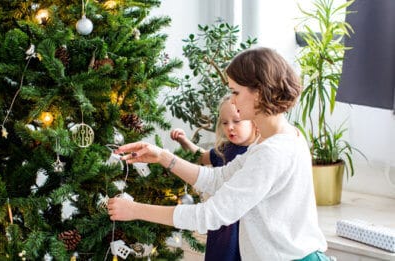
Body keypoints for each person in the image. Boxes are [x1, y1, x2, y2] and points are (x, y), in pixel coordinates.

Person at [108, 47, 328, 261]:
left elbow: (209, 215)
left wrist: (135, 210)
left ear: (259, 93)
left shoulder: (273, 153)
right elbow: (219, 178)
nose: (232, 100)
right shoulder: (277, 137)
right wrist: (163, 157)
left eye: (235, 92)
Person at [170, 95, 258, 261]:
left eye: (236, 121)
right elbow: (200, 156)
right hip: (221, 225)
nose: (230, 127)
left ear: (253, 120)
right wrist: (183, 141)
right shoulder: (224, 149)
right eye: (225, 123)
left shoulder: (257, 152)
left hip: (244, 227)